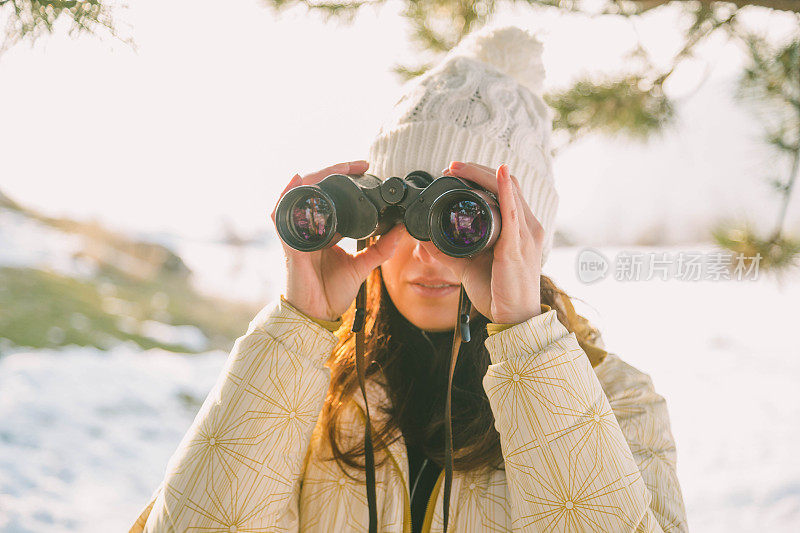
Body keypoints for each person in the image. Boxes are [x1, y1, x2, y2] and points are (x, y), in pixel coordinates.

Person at [129, 24, 688, 532]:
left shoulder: (619, 402)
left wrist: (528, 343)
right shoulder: (308, 394)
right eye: (402, 214)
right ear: (367, 221)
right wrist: (297, 328)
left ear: (526, 235)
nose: (429, 254)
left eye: (463, 221)